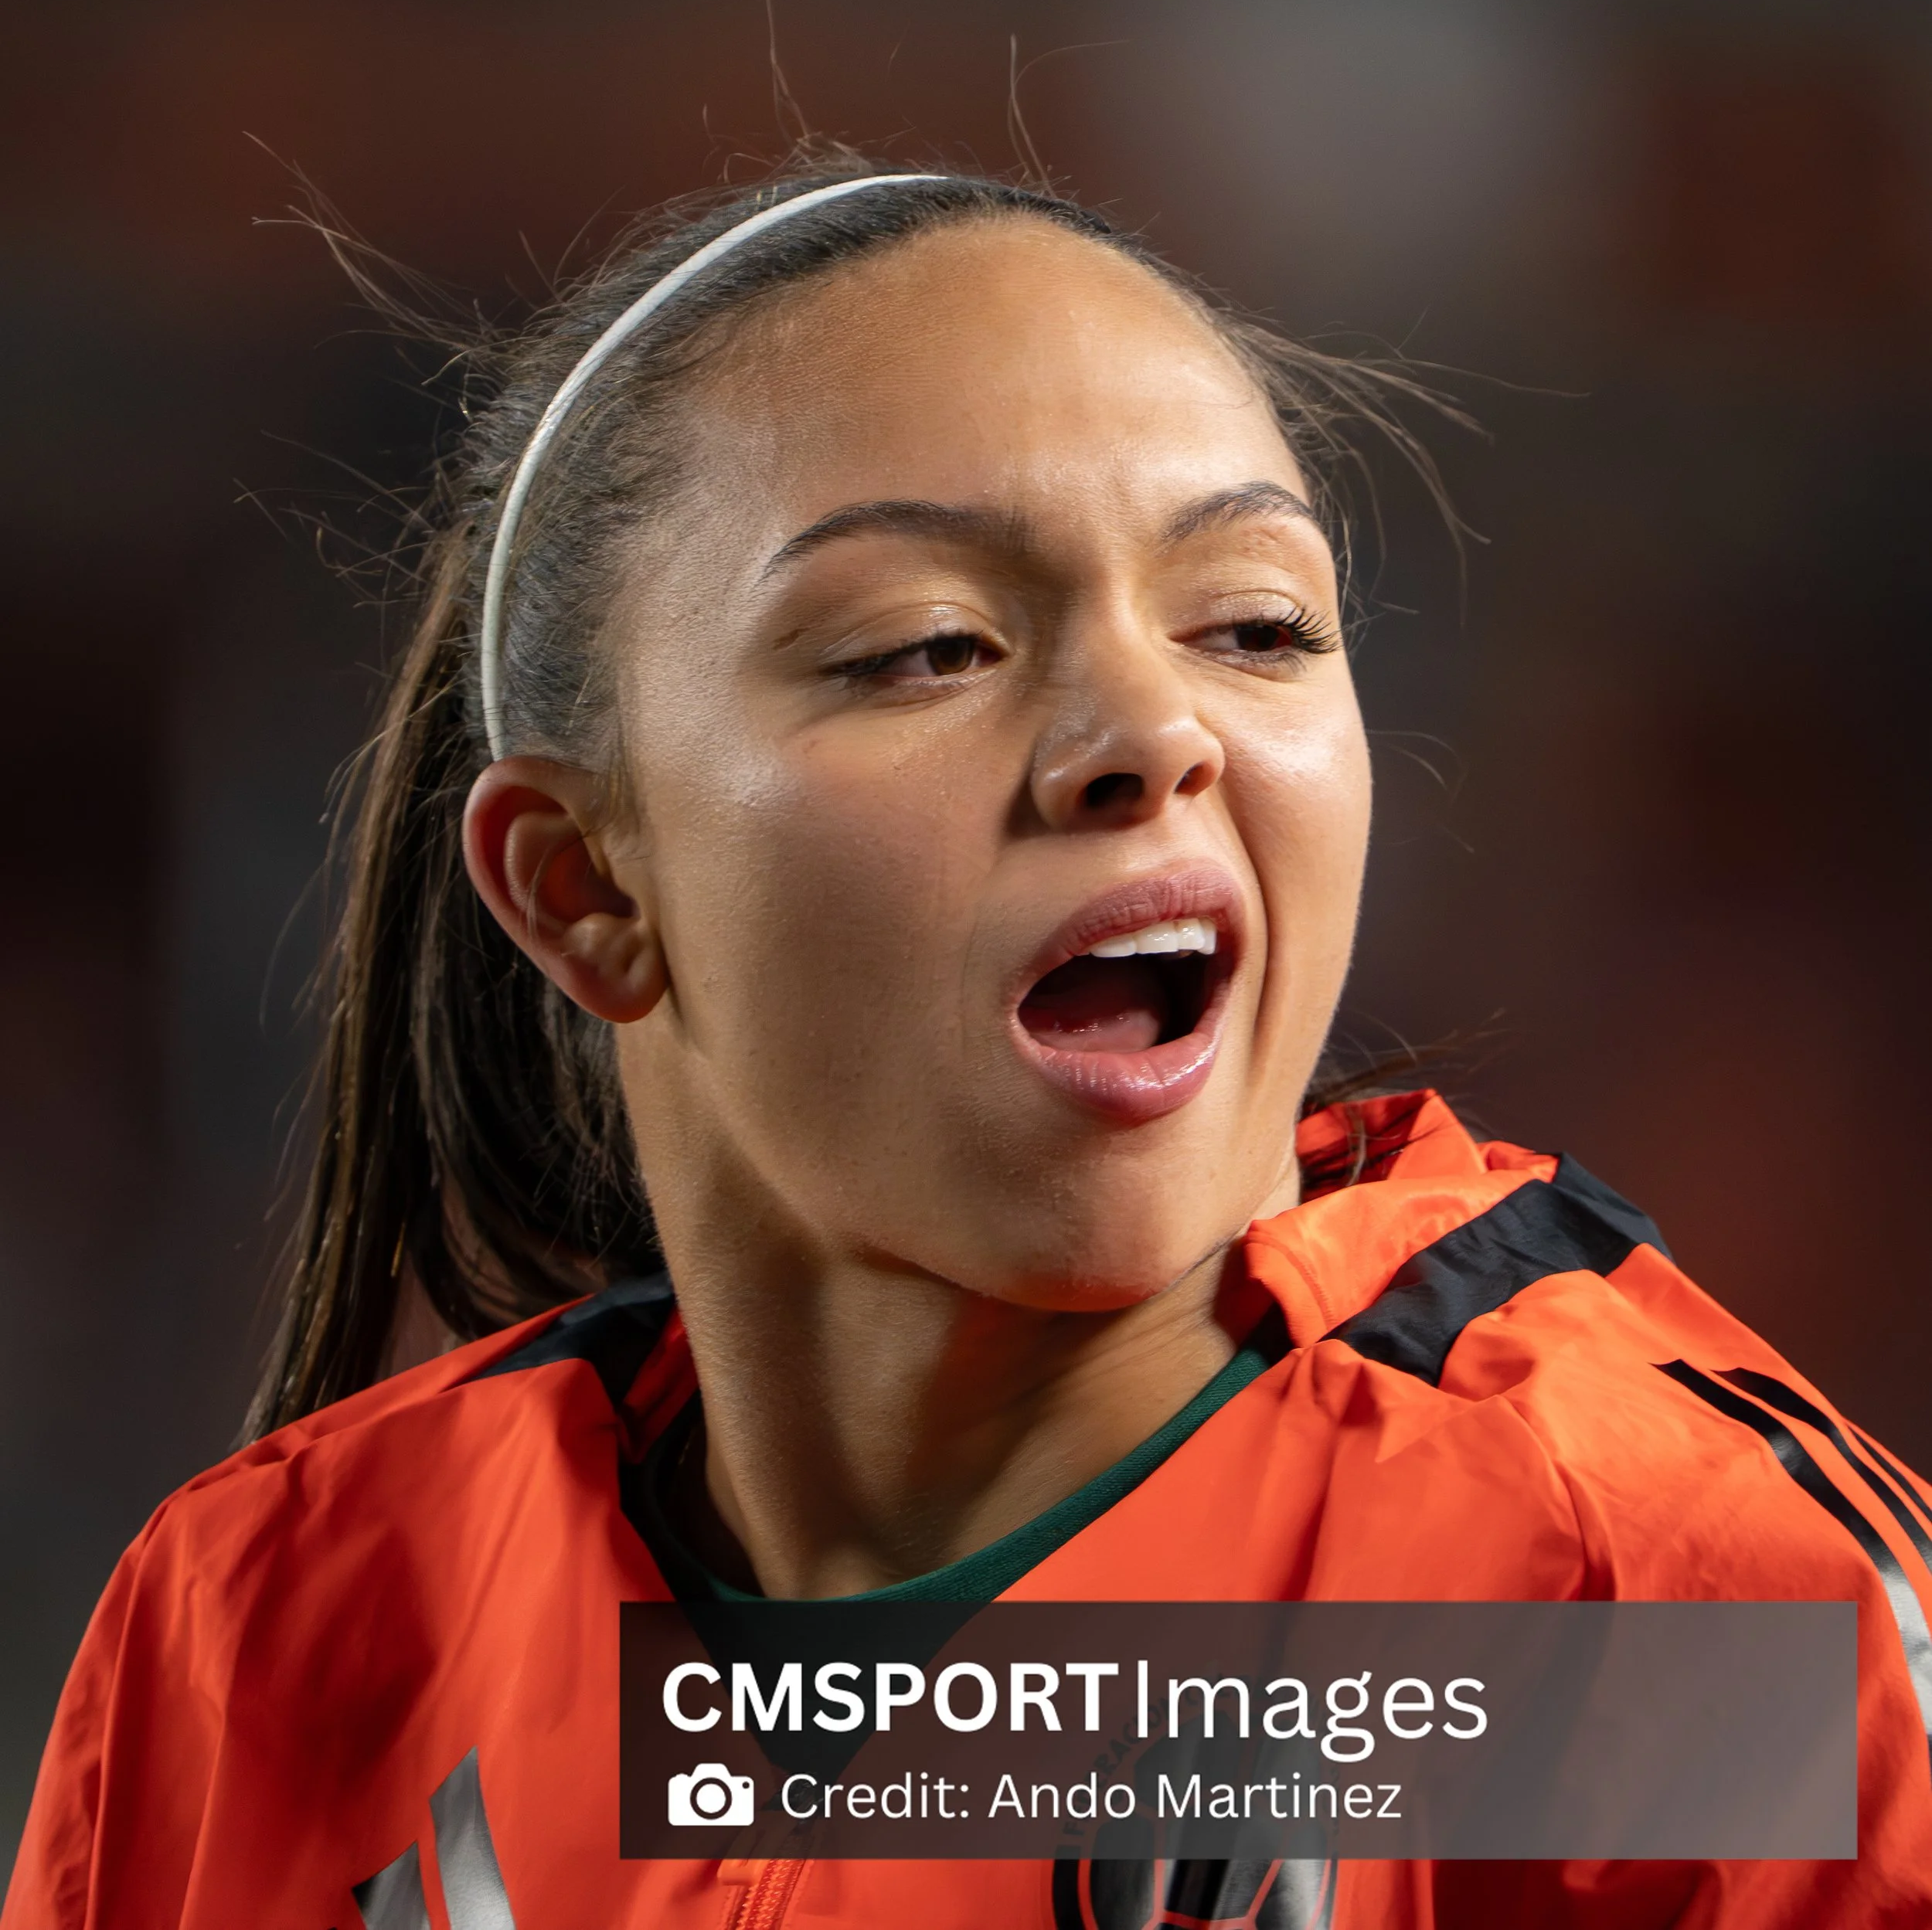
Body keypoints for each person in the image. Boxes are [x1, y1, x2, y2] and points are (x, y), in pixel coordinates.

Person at [7, 160, 1930, 1930]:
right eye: (928, 644)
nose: (1146, 727)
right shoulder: (267, 1637)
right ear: (586, 881)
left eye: (1253, 625)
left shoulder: (1658, 1625)